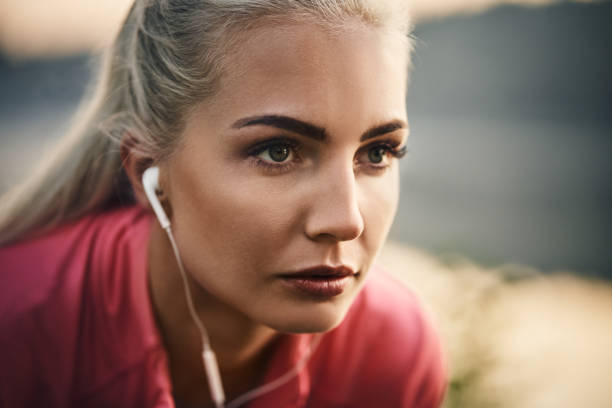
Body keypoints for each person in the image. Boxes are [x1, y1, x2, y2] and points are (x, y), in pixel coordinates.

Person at [0, 0, 446, 407]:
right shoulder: (16, 330)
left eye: (377, 153)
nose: (346, 221)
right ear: (147, 174)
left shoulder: (393, 353)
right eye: (278, 151)